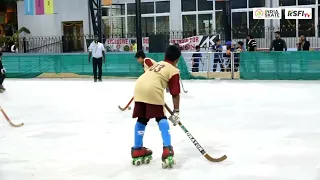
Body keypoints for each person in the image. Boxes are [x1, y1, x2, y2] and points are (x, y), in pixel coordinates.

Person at [131, 45, 181, 168]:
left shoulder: (158, 63)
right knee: (161, 117)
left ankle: (137, 149)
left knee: (142, 119)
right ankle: (167, 149)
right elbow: (175, 94)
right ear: (177, 60)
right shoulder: (174, 70)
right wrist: (176, 112)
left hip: (138, 87)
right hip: (153, 90)